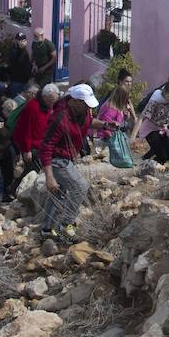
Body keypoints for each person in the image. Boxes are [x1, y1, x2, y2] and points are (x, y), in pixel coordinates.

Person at [39, 84, 97, 242]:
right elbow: (46, 146)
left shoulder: (81, 112)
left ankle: (47, 230)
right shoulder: (60, 117)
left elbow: (90, 121)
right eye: (85, 104)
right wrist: (49, 177)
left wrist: (105, 125)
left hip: (68, 158)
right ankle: (67, 225)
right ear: (75, 101)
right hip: (57, 160)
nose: (88, 108)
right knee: (80, 187)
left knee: (58, 193)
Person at [8, 83, 61, 200]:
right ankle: (15, 190)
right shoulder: (33, 107)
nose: (52, 104)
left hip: (42, 144)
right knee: (31, 170)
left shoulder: (48, 106)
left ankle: (23, 192)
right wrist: (26, 150)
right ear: (44, 97)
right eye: (51, 101)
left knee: (36, 170)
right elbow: (25, 130)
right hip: (31, 145)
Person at [133, 80, 169, 164]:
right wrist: (133, 136)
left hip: (163, 129)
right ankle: (149, 166)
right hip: (150, 129)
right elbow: (141, 117)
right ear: (164, 92)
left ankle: (150, 161)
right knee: (162, 156)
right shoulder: (156, 100)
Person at [94, 71, 135, 168]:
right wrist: (114, 139)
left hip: (112, 134)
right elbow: (105, 127)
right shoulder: (110, 108)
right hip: (104, 138)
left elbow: (120, 121)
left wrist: (127, 116)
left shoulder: (118, 107)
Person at [6, 33, 33, 97]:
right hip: (16, 81)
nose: (21, 42)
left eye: (23, 40)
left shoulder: (25, 51)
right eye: (19, 40)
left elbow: (26, 65)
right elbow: (16, 61)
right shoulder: (13, 51)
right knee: (16, 100)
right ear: (16, 41)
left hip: (25, 81)